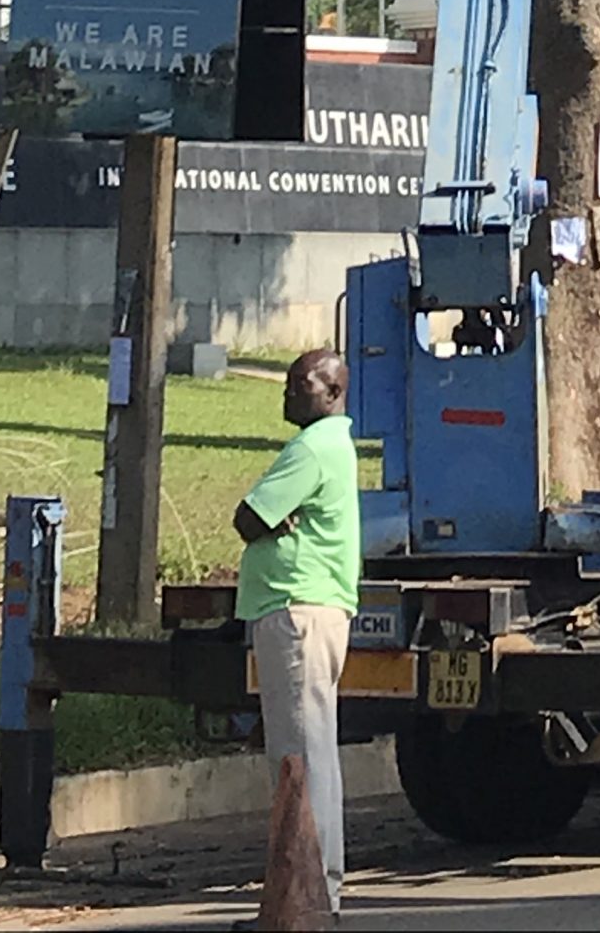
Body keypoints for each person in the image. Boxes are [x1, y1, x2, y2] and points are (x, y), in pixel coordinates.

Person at [233, 348, 360, 917]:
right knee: (313, 753)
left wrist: (270, 519)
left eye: (301, 384)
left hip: (296, 610)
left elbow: (248, 518)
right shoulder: (334, 445)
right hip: (315, 609)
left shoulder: (312, 448)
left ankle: (310, 893)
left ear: (333, 392)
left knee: (297, 759)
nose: (288, 392)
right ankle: (319, 885)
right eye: (287, 383)